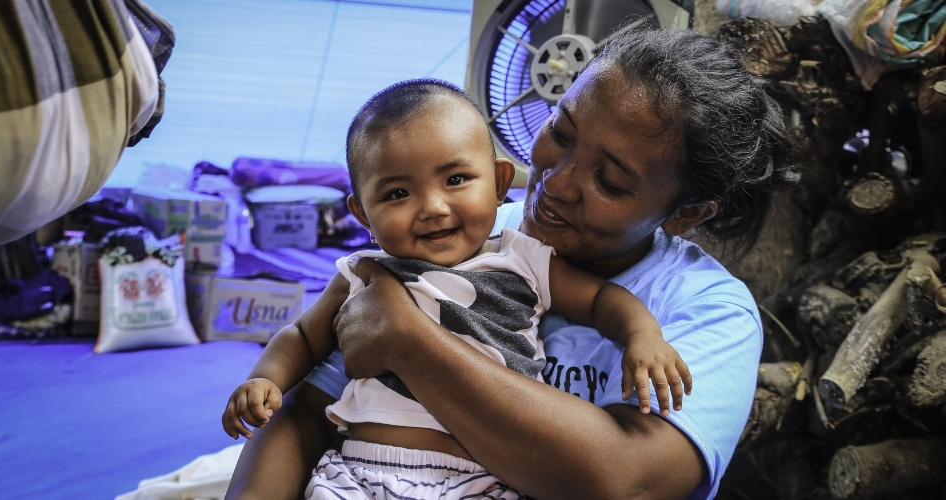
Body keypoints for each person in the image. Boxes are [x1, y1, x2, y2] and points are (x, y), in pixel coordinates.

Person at [225, 28, 797, 500]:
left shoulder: (705, 310)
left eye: (610, 181)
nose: (558, 181)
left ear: (686, 213)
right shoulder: (463, 231)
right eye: (561, 131)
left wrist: (410, 340)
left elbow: (627, 481)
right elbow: (305, 407)